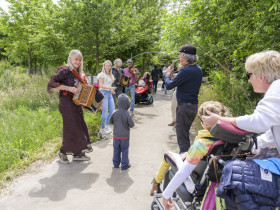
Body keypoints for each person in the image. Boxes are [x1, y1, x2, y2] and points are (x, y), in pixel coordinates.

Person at [202, 50, 280, 154]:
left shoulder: (277, 88)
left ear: (261, 76)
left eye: (249, 75)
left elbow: (257, 122)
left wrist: (219, 120)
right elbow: (271, 137)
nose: (249, 80)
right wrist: (249, 146)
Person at [157, 101, 232, 209]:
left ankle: (157, 184)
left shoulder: (201, 145)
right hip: (216, 180)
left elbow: (184, 172)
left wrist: (166, 194)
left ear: (205, 123)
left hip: (195, 183)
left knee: (169, 155)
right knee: (183, 155)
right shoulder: (228, 140)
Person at [48, 49, 92, 164]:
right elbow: (51, 83)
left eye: (79, 60)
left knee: (80, 127)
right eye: (76, 59)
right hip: (66, 103)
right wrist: (68, 88)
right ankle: (63, 153)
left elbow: (86, 92)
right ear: (70, 59)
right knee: (70, 128)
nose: (78, 61)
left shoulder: (80, 74)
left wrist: (95, 105)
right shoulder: (65, 70)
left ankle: (78, 153)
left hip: (77, 104)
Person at [165, 44, 203, 154]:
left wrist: (168, 74)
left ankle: (184, 160)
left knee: (182, 138)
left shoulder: (186, 70)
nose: (179, 57)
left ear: (186, 57)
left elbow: (168, 86)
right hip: (192, 106)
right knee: (185, 134)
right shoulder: (198, 69)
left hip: (184, 107)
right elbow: (185, 81)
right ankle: (186, 157)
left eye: (180, 55)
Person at [109, 93, 135, 170]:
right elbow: (132, 125)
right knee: (124, 150)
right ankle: (124, 165)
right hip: (125, 137)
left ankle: (116, 164)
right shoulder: (127, 114)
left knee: (116, 149)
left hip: (116, 136)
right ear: (128, 104)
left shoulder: (115, 112)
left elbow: (111, 121)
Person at [97, 60, 116, 135]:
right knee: (104, 112)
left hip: (109, 94)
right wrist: (110, 88)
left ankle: (106, 124)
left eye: (109, 66)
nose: (107, 67)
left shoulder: (111, 75)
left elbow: (108, 84)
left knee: (112, 111)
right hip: (103, 93)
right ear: (104, 66)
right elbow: (101, 85)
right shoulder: (102, 74)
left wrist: (111, 90)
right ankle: (102, 128)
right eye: (106, 66)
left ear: (111, 67)